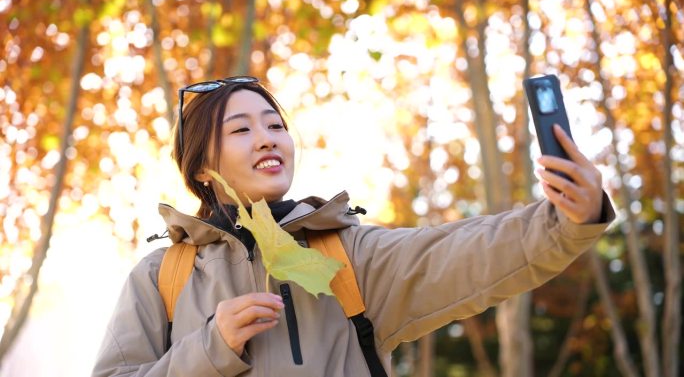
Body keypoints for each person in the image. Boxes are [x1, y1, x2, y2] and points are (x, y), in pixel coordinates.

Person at [92, 76, 614, 376]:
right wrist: (212, 347)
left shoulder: (348, 254)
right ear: (202, 168)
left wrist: (566, 219)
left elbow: (461, 253)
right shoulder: (163, 275)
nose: (268, 138)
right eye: (242, 129)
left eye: (275, 125)